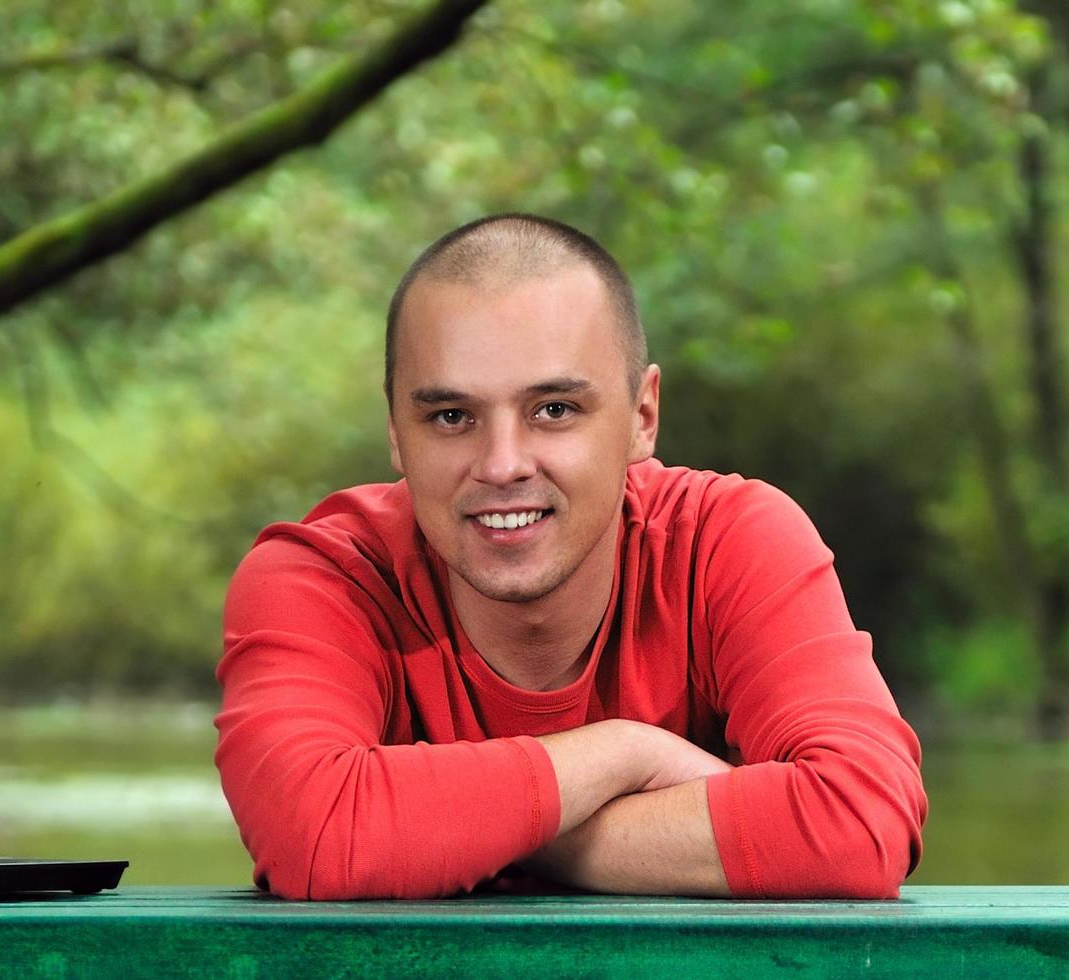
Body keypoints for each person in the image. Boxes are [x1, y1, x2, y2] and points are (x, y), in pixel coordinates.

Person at [212, 213, 927, 900]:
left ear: (641, 416)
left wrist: (437, 835)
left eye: (553, 409)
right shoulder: (321, 577)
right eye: (450, 417)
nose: (501, 464)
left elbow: (859, 824)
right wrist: (625, 754)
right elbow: (314, 832)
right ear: (397, 431)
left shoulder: (729, 542)